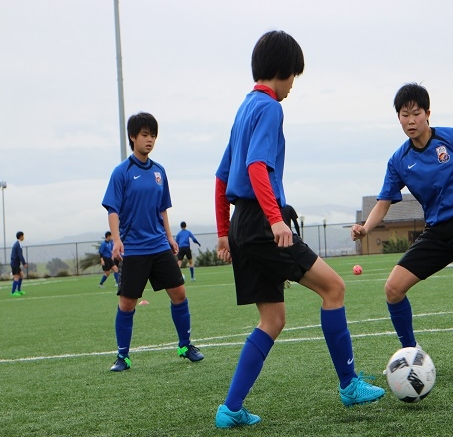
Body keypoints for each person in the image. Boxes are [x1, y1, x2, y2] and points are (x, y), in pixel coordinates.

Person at [214, 30, 384, 429]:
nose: (293, 85)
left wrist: (223, 232)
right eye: (294, 76)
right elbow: (256, 166)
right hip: (262, 223)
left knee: (272, 319)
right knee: (334, 288)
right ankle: (349, 385)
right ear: (284, 70)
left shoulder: (243, 108)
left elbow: (222, 177)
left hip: (241, 225)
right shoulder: (270, 107)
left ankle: (231, 409)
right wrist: (275, 219)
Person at [351, 83, 453, 373]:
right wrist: (366, 228)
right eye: (404, 115)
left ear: (427, 113)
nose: (411, 120)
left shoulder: (450, 138)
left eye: (416, 113)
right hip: (437, 232)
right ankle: (411, 352)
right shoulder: (399, 160)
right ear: (398, 118)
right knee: (393, 289)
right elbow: (384, 202)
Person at [102, 112, 204, 372]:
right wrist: (117, 240)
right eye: (145, 135)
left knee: (179, 293)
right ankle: (122, 357)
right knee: (127, 304)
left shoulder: (159, 171)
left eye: (153, 136)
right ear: (132, 137)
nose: (150, 140)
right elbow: (112, 209)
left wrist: (169, 237)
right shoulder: (121, 172)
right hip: (134, 248)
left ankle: (185, 345)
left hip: (159, 245)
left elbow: (162, 209)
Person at [10, 231, 28, 296]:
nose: (23, 237)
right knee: (16, 277)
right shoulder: (18, 244)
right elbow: (20, 255)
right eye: (23, 236)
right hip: (15, 263)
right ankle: (13, 292)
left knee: (21, 275)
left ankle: (19, 290)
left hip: (16, 263)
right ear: (20, 236)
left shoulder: (18, 243)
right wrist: (24, 263)